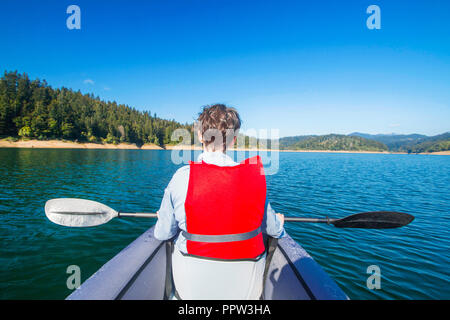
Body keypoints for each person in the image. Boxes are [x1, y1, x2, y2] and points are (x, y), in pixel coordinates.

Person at [154, 104, 285, 299]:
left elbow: (163, 232)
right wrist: (279, 221)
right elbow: (274, 230)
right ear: (233, 140)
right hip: (244, 289)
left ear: (200, 136)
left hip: (192, 287)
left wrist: (164, 217)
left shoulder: (181, 178)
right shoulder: (253, 177)